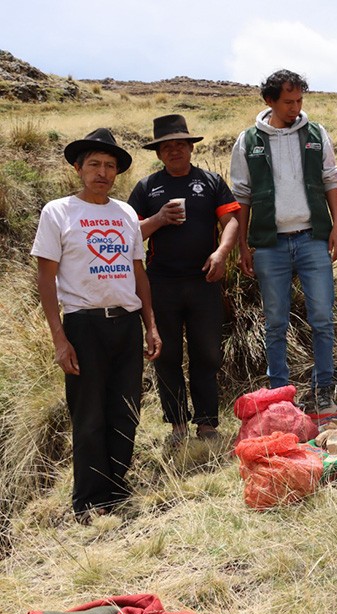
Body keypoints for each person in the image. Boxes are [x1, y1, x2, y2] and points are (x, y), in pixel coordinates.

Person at [31, 128, 161, 523]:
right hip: (83, 325)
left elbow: (138, 273)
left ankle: (117, 489)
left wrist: (150, 325)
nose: (102, 172)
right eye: (94, 165)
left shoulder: (124, 214)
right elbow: (46, 279)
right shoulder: (58, 212)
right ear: (78, 168)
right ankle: (87, 500)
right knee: (88, 413)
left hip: (125, 324)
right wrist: (60, 338)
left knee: (126, 409)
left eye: (109, 166)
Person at [230, 70, 337, 413]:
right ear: (269, 101)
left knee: (322, 317)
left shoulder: (315, 133)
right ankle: (280, 398)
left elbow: (330, 179)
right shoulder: (248, 141)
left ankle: (324, 389)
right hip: (269, 243)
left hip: (312, 238)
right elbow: (242, 196)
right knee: (275, 322)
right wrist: (243, 246)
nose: (295, 108)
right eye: (288, 102)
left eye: (299, 101)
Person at [128, 115, 240, 446]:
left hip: (205, 280)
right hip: (161, 284)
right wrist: (158, 219)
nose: (175, 151)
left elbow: (231, 220)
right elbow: (130, 233)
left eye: (180, 145)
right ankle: (177, 424)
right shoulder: (147, 187)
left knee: (207, 353)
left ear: (191, 148)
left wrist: (221, 254)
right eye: (167, 147)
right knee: (167, 355)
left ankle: (207, 423)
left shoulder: (210, 181)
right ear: (159, 153)